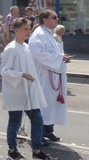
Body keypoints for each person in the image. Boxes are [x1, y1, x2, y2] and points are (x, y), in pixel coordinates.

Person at [1, 18, 57, 160]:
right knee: (15, 121)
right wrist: (21, 74)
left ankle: (37, 151)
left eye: (29, 29)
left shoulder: (25, 47)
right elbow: (4, 71)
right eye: (26, 29)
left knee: (37, 119)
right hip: (16, 91)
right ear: (16, 30)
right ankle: (12, 151)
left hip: (29, 90)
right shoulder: (11, 48)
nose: (29, 32)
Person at [28, 9, 71, 143]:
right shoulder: (39, 34)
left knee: (52, 104)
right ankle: (38, 135)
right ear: (45, 20)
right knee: (44, 105)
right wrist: (59, 58)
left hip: (53, 75)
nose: (57, 19)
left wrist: (61, 57)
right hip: (44, 76)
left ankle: (48, 131)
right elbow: (37, 53)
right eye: (54, 17)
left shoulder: (49, 33)